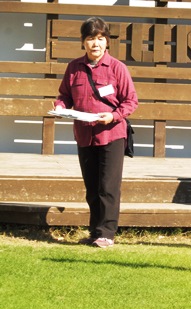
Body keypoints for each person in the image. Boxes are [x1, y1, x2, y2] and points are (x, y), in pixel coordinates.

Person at [54, 17, 138, 248]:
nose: (96, 44)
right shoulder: (74, 68)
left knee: (108, 187)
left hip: (112, 134)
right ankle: (95, 232)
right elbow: (64, 95)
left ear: (107, 42)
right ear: (83, 42)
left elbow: (130, 101)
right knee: (92, 187)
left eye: (100, 38)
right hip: (84, 134)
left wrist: (113, 116)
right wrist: (60, 107)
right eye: (91, 38)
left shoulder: (118, 68)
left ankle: (107, 234)